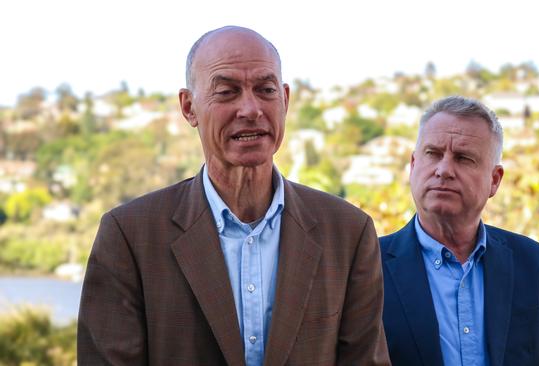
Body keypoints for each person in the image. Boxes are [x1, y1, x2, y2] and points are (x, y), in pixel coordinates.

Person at [78, 26, 389, 366]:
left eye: (265, 89)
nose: (251, 108)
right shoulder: (130, 236)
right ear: (189, 107)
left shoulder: (347, 233)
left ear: (285, 99)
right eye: (227, 92)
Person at [381, 96, 539, 365]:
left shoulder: (534, 265)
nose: (443, 170)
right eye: (433, 154)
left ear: (494, 180)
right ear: (413, 165)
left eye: (463, 158)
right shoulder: (369, 265)